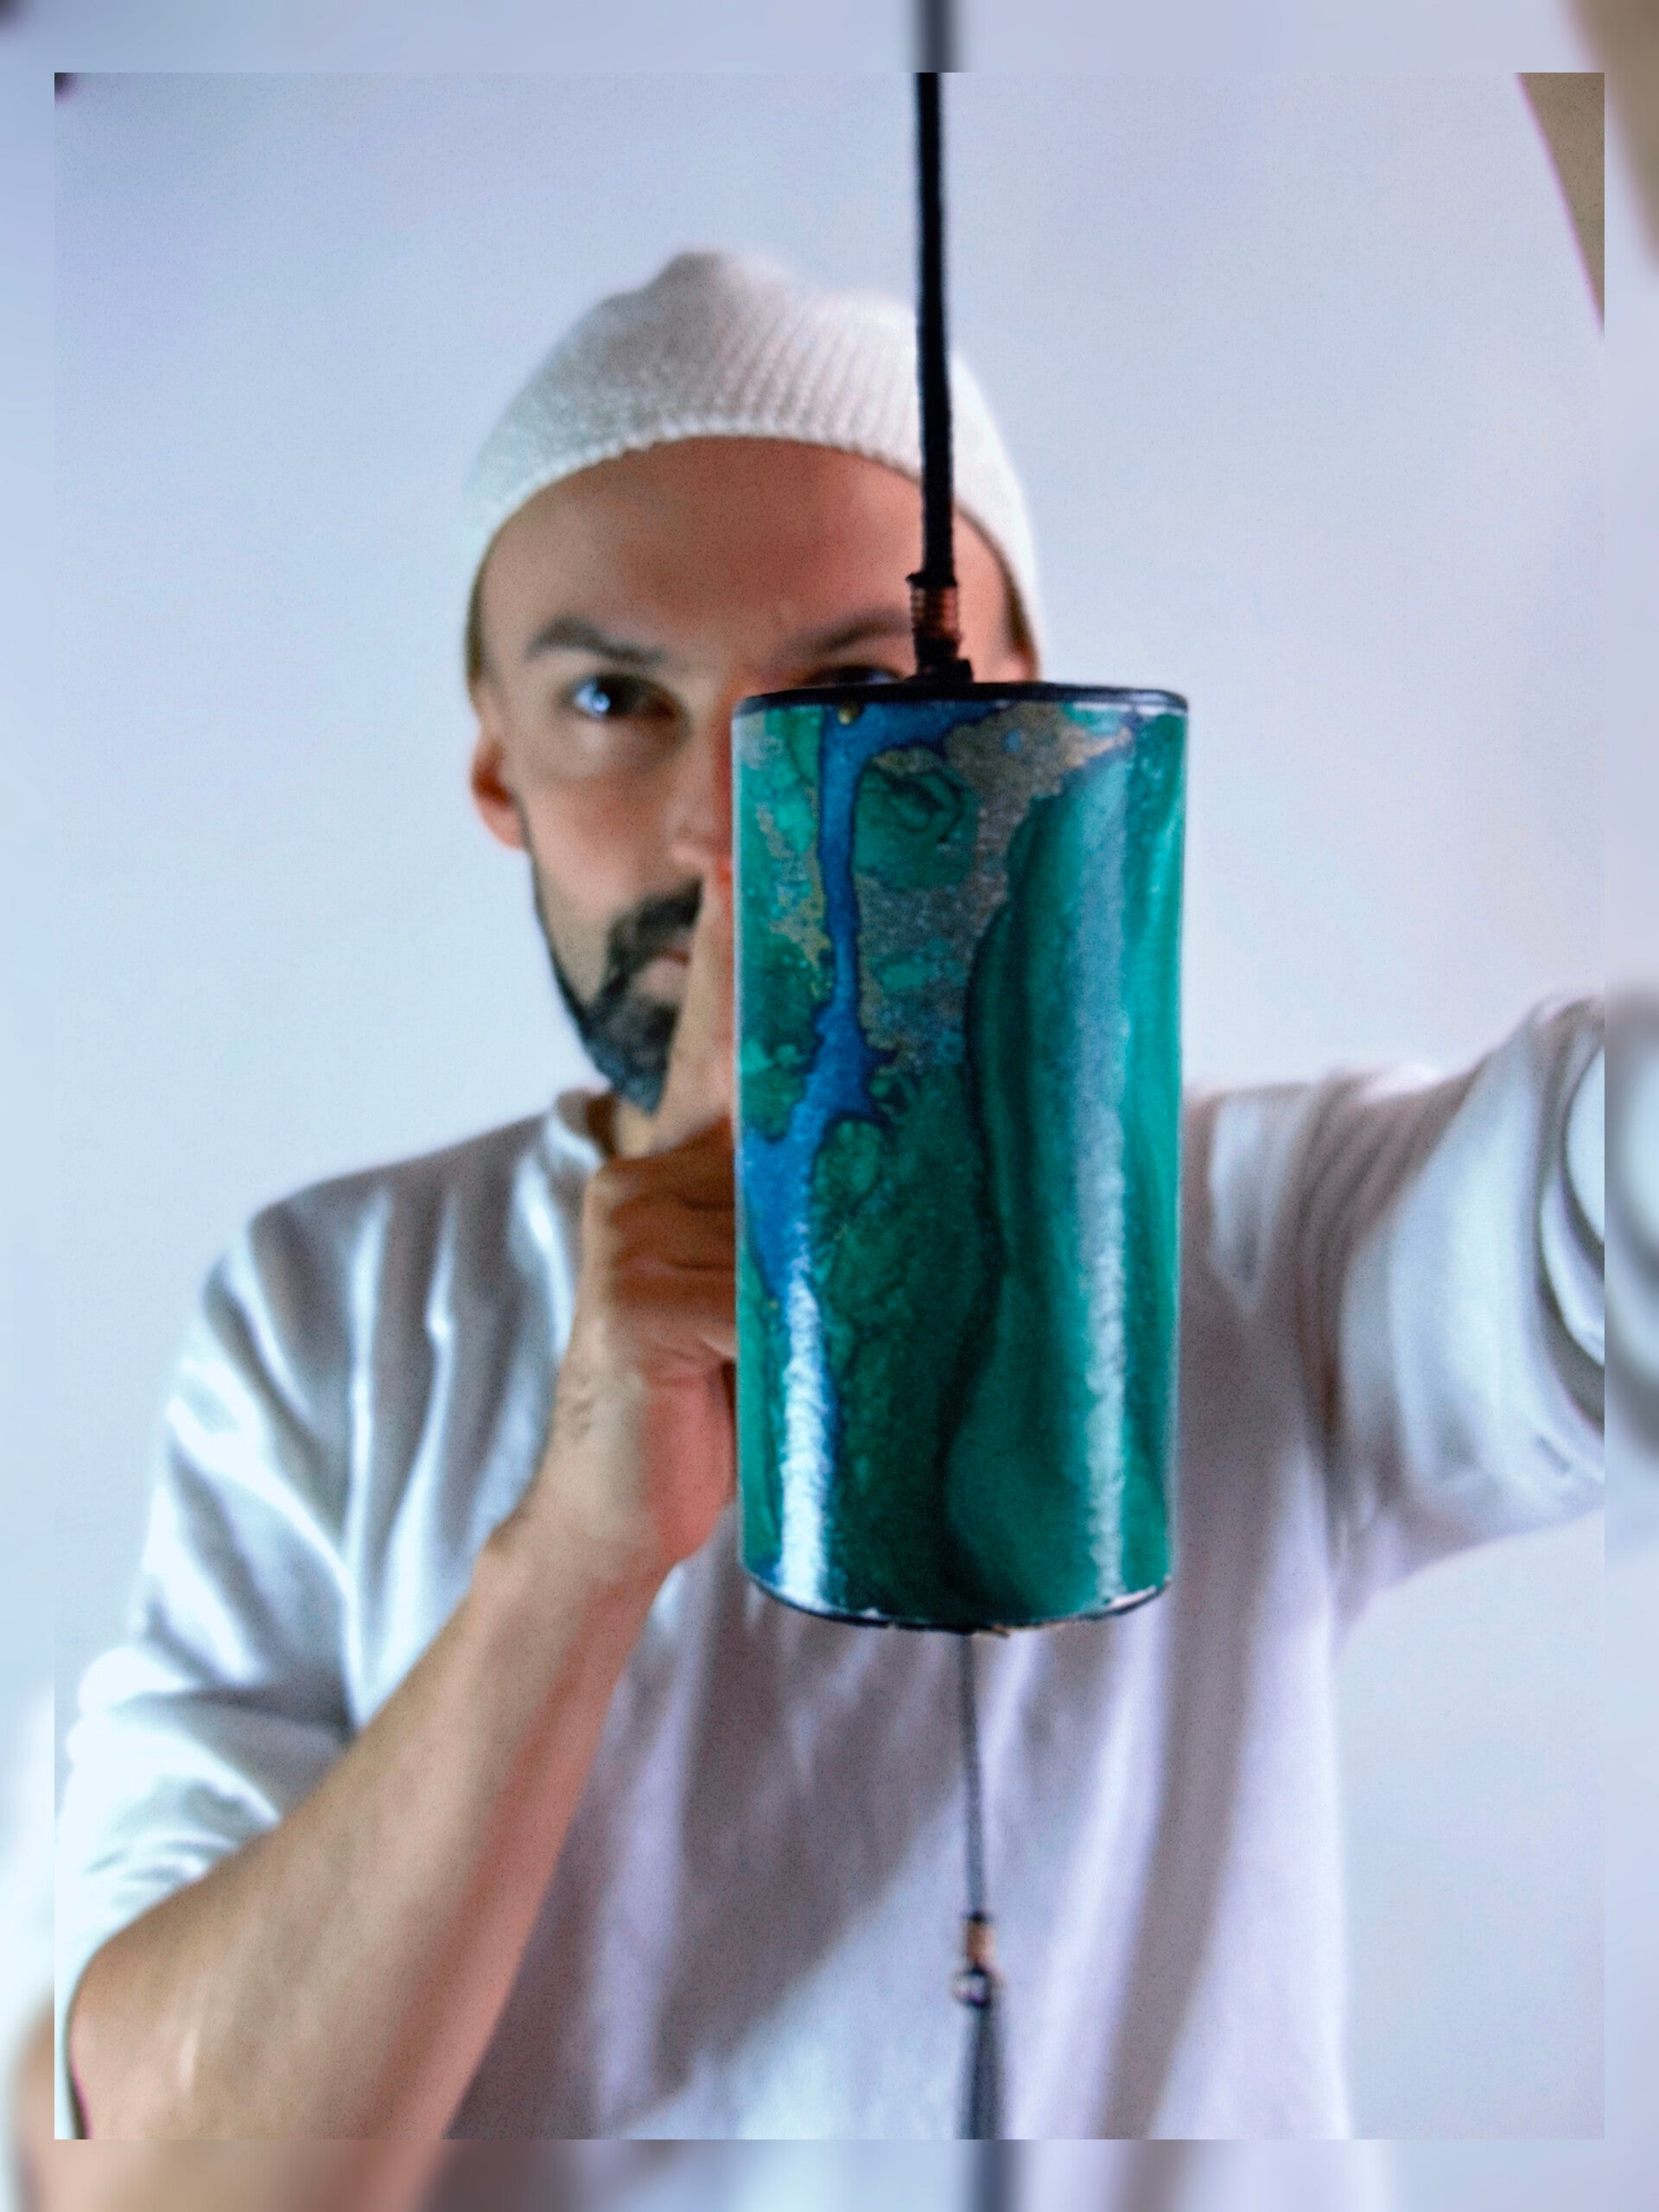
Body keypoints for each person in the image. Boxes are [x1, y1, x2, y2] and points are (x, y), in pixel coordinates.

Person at [54, 251, 1603, 2168]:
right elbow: (139, 2176)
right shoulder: (329, 1312)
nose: (738, 824)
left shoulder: (1268, 1243)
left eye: (862, 694)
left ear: (1026, 714)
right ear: (496, 768)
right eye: (615, 697)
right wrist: (573, 1552)